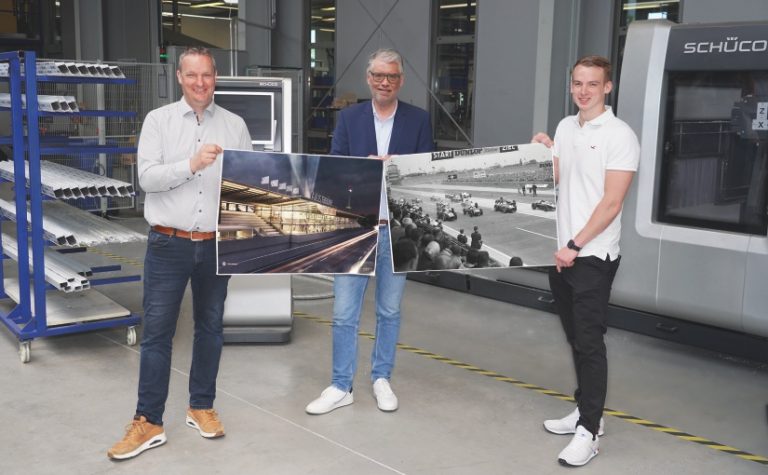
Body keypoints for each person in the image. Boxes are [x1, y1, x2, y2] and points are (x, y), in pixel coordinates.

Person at [108, 47, 252, 460]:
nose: (200, 83)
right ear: (179, 78)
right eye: (192, 75)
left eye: (206, 75)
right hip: (168, 244)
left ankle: (201, 406)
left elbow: (249, 185)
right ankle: (148, 421)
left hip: (216, 244)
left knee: (210, 328)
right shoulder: (159, 121)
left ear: (216, 77)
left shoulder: (235, 125)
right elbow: (147, 178)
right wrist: (191, 164)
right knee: (157, 333)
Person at [306, 48, 433, 415]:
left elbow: (426, 171)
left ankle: (381, 378)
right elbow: (334, 168)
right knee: (344, 313)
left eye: (391, 76)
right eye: (378, 75)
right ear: (368, 78)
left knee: (389, 311)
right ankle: (340, 385)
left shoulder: (418, 120)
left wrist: (399, 168)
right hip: (354, 228)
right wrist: (363, 167)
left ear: (401, 81)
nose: (384, 82)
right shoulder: (349, 118)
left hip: (396, 230)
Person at [532, 55, 639, 467]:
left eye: (592, 84)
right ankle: (585, 410)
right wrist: (542, 154)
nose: (583, 91)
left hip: (592, 254)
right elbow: (556, 177)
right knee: (576, 338)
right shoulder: (565, 126)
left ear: (607, 87)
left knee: (590, 343)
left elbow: (612, 203)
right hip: (562, 252)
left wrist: (575, 244)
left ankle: (589, 432)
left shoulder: (620, 135)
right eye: (578, 83)